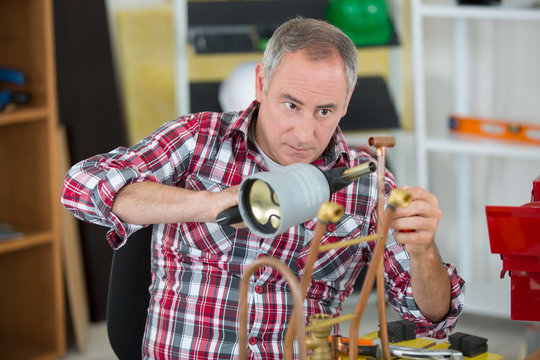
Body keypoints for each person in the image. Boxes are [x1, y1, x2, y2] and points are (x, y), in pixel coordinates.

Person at [61, 17, 464, 359]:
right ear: (261, 82)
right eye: (291, 105)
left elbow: (430, 319)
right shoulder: (197, 141)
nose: (305, 133)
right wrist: (210, 203)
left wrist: (424, 251)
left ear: (347, 102)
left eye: (324, 111)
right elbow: (81, 186)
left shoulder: (368, 183)